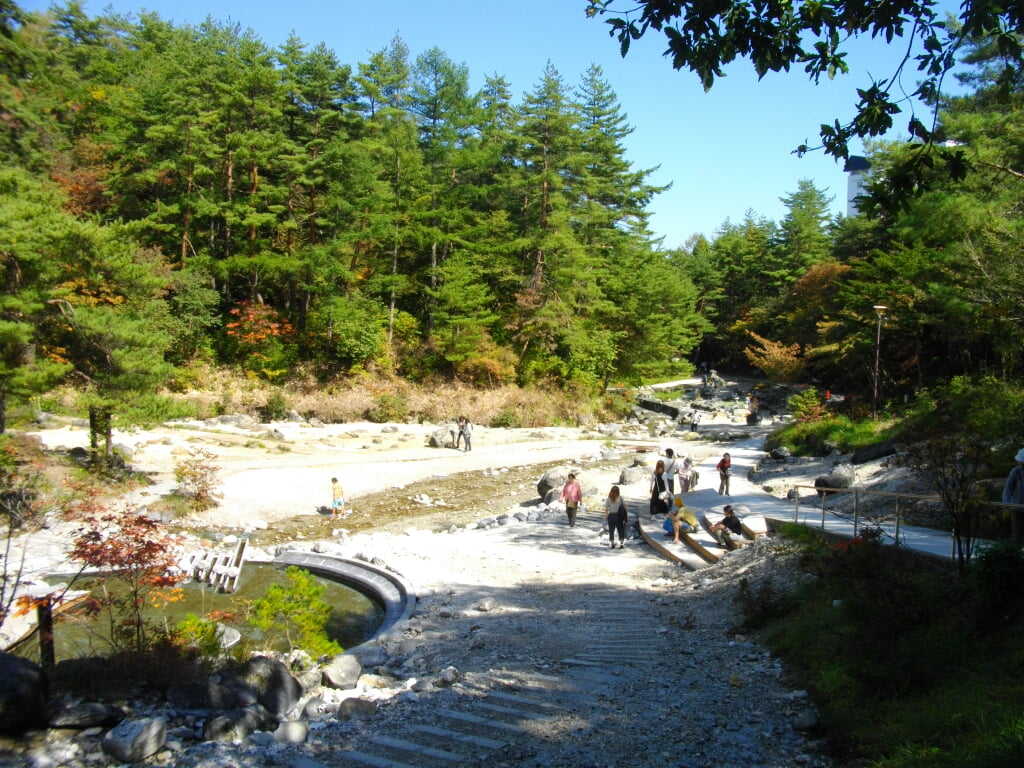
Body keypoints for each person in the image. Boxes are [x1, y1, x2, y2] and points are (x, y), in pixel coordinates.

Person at [1003, 448, 1024, 543]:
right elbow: (1008, 488)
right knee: (1017, 532)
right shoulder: (1016, 471)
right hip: (1017, 506)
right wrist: (1006, 503)